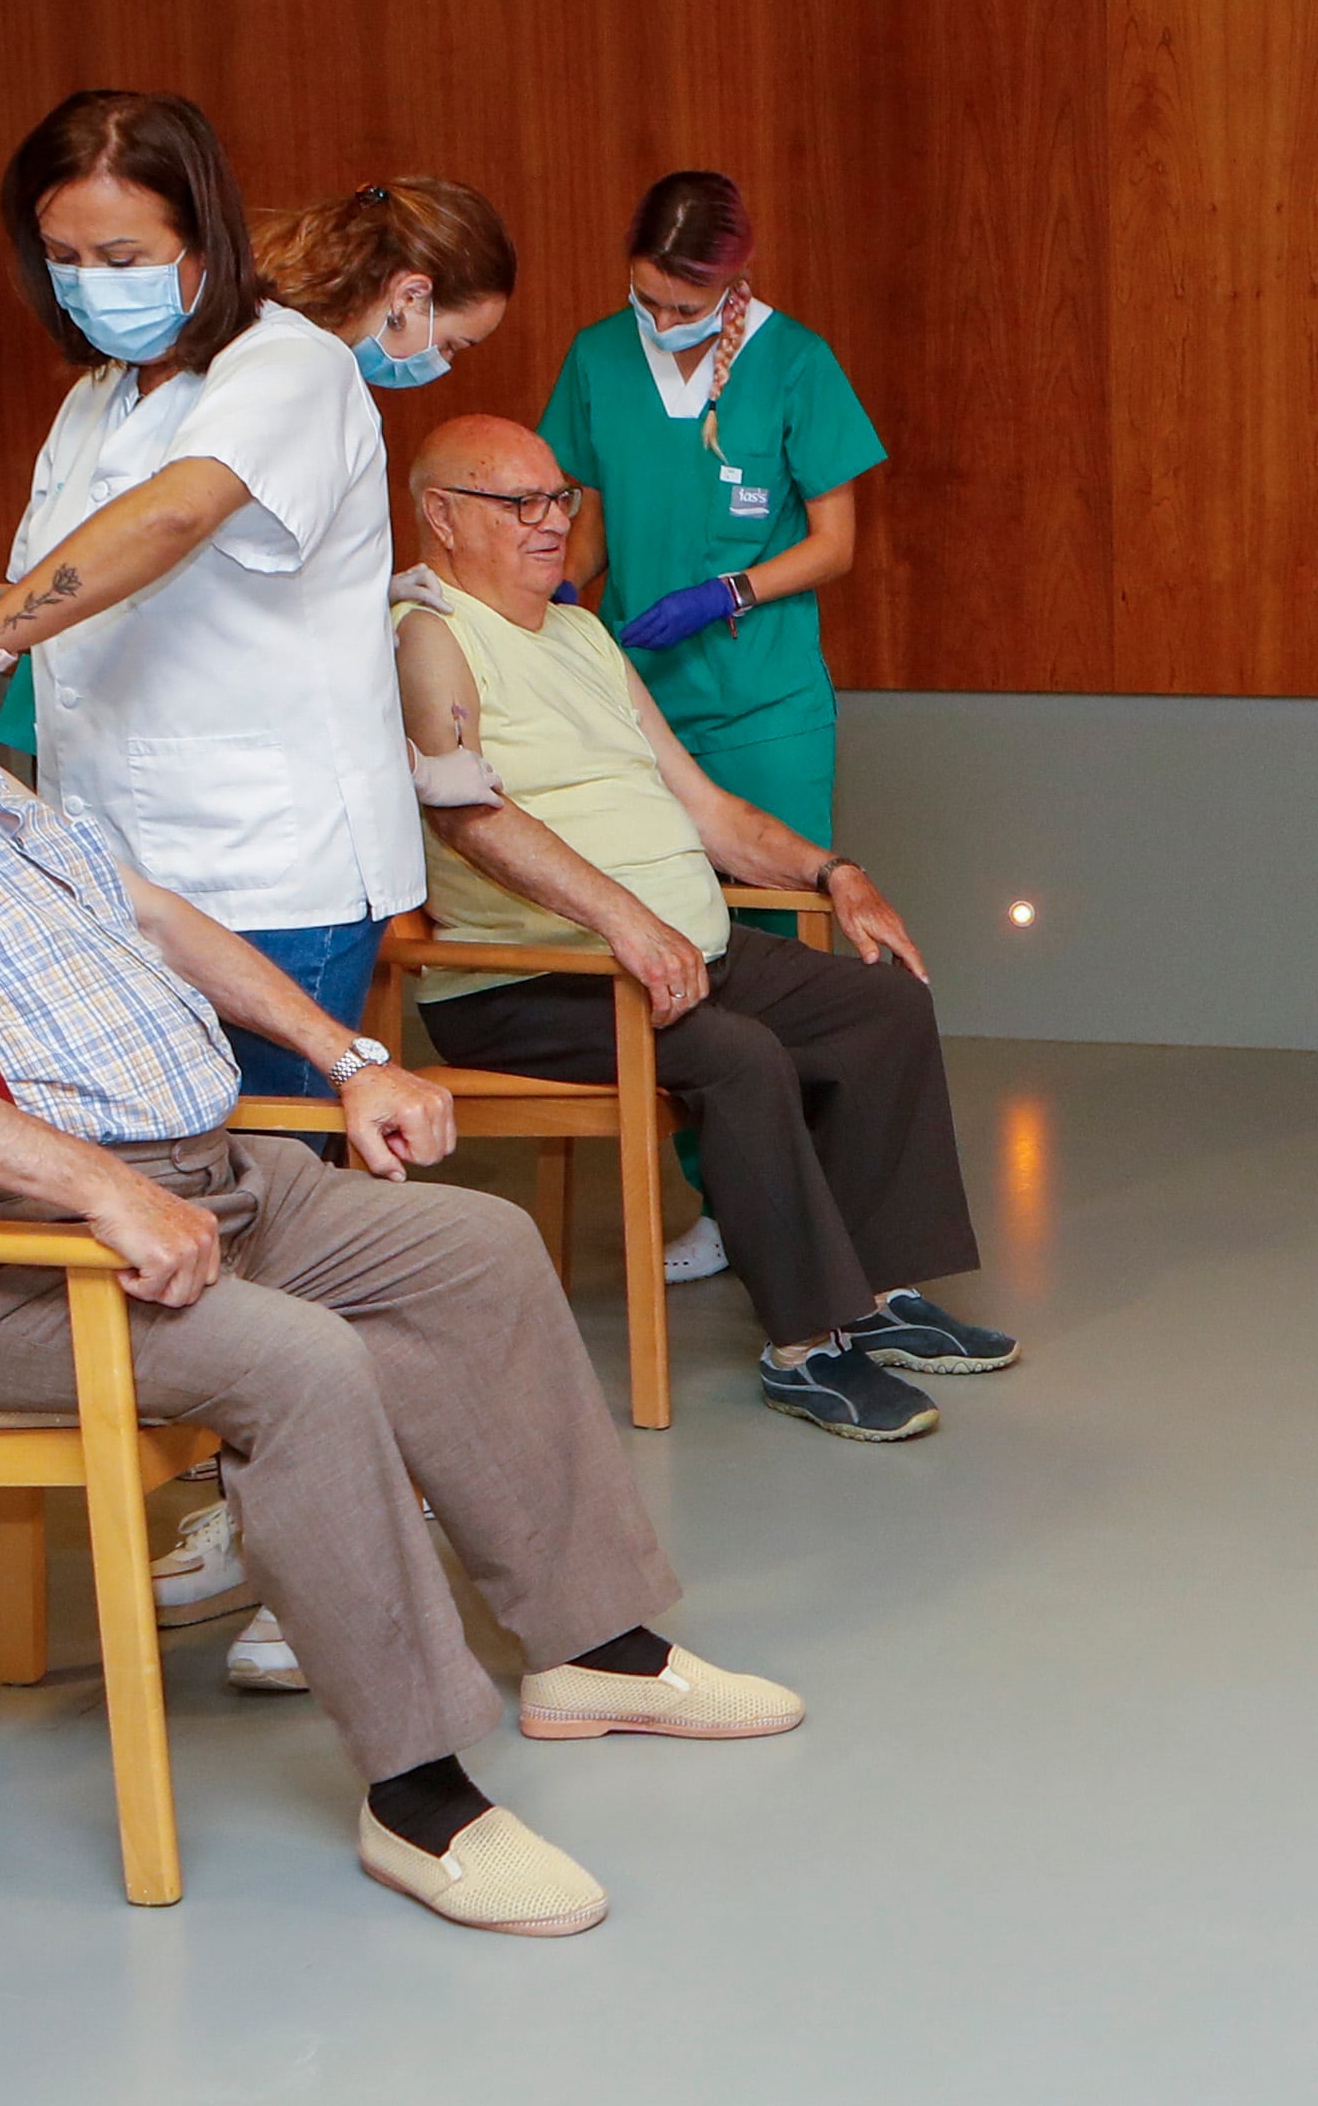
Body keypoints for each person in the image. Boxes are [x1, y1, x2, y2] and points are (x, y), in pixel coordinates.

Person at [0, 481, 797, 1938]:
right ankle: (418, 1797)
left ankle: (593, 1652)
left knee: (474, 1246)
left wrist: (345, 1053)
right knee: (301, 1363)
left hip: (199, 1179)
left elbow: (148, 911)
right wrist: (101, 1188)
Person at [393, 417, 1007, 1445]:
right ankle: (806, 1346)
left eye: (561, 500)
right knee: (737, 1055)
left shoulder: (582, 633)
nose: (552, 525)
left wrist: (832, 870)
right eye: (520, 505)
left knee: (882, 1003)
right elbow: (467, 814)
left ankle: (877, 1295)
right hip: (525, 980)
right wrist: (625, 921)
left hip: (674, 952)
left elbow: (706, 809)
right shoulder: (429, 634)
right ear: (441, 515)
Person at [0, 108, 512, 1092]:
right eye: (64, 256)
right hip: (124, 857)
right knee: (174, 1168)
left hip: (268, 863)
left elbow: (172, 519)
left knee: (276, 1186)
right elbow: (93, 577)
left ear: (203, 238)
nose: (91, 282)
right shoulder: (102, 391)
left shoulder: (289, 365)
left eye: (121, 254)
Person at [540, 170, 884, 847]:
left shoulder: (795, 362)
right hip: (632, 700)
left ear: (734, 277)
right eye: (647, 301)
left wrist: (727, 594)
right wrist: (564, 586)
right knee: (648, 913)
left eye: (687, 309)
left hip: (761, 705)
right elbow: (601, 512)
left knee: (777, 921)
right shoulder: (598, 356)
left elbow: (834, 545)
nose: (663, 323)